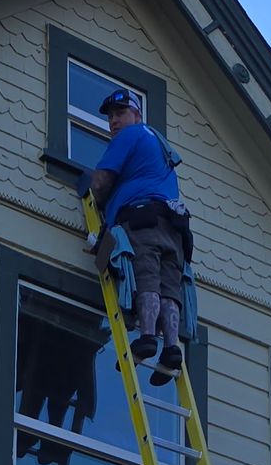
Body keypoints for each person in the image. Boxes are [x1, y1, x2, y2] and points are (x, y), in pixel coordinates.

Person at [81, 88, 191, 384]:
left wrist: (96, 201)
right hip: (174, 227)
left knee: (146, 277)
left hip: (144, 220)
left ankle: (145, 338)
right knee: (170, 289)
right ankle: (170, 348)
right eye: (110, 117)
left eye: (120, 114)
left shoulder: (130, 136)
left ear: (136, 115)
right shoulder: (158, 142)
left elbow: (101, 182)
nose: (114, 122)